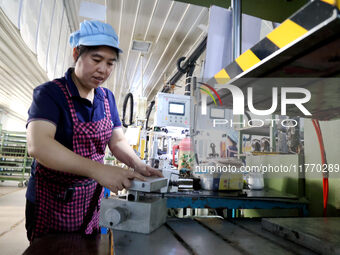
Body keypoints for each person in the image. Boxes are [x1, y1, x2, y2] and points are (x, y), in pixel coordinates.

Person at [25, 20, 162, 242]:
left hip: (90, 199)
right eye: (96, 59)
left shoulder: (106, 98)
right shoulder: (50, 94)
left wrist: (139, 165)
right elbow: (39, 145)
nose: (103, 69)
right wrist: (98, 170)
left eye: (110, 63)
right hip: (51, 200)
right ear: (76, 53)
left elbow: (116, 142)